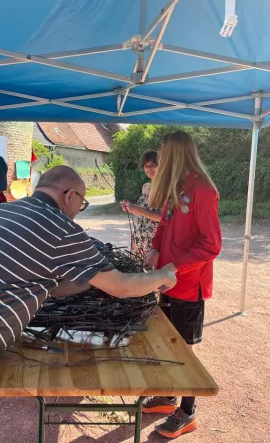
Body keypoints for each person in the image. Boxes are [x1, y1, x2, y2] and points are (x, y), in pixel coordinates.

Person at [0, 165, 177, 443]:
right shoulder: (60, 227)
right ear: (70, 195)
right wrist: (162, 276)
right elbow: (122, 286)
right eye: (82, 203)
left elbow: (43, 287)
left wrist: (90, 278)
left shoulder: (4, 211)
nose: (78, 211)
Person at [142, 131, 222, 439]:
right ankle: (168, 396)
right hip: (167, 280)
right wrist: (155, 248)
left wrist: (176, 265)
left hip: (188, 285)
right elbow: (164, 224)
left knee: (184, 350)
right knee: (166, 342)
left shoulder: (203, 191)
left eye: (162, 156)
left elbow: (212, 244)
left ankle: (187, 412)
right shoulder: (176, 187)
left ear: (176, 155)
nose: (159, 162)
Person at [120, 150, 161, 261]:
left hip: (154, 240)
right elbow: (144, 212)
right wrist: (130, 208)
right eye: (146, 166)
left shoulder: (165, 188)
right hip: (139, 237)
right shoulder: (145, 186)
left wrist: (138, 209)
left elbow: (161, 217)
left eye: (152, 165)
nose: (148, 169)